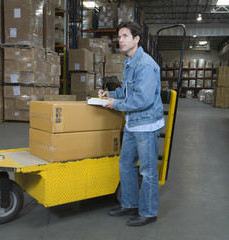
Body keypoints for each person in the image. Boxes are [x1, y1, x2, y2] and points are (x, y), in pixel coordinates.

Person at [98, 21, 164, 227]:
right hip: (132, 124)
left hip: (146, 125)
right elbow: (129, 93)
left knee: (147, 170)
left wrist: (115, 104)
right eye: (119, 37)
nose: (121, 40)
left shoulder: (146, 65)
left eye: (125, 36)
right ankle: (129, 204)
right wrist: (111, 94)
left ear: (136, 39)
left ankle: (148, 212)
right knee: (125, 164)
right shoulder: (130, 62)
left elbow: (141, 100)